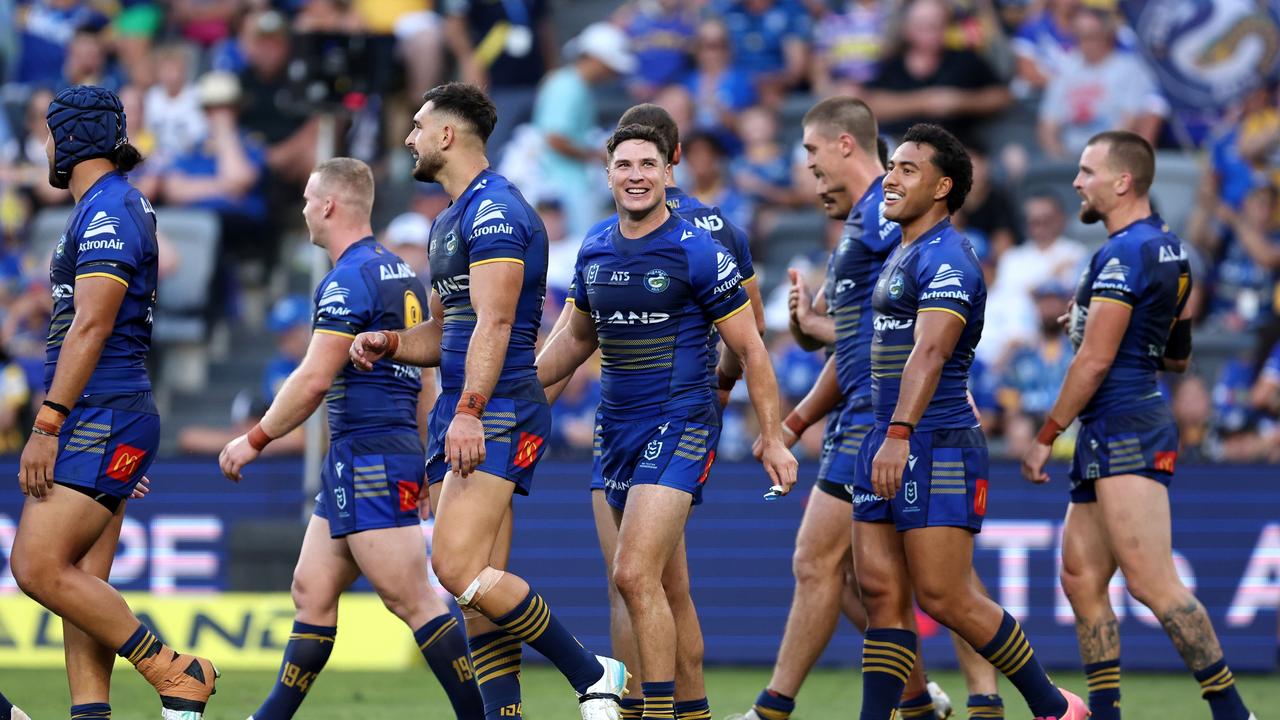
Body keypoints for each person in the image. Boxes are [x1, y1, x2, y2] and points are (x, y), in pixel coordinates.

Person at [348, 82, 627, 720]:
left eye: (418, 127)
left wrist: (469, 410)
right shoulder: (449, 218)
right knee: (478, 590)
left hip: (495, 408)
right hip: (463, 409)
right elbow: (448, 329)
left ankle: (594, 672)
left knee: (454, 566)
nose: (409, 137)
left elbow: (496, 325)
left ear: (448, 135)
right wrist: (390, 341)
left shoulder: (497, 211)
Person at [731, 99, 1002, 720]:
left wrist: (913, 408)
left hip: (882, 420)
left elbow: (909, 334)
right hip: (863, 413)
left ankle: (777, 707)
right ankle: (924, 697)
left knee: (876, 571)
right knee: (884, 578)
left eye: (811, 152)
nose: (808, 167)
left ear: (845, 145)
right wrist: (806, 340)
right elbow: (855, 334)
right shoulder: (863, 224)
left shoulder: (892, 223)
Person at [537, 121, 798, 720]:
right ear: (606, 175)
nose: (635, 176)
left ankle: (651, 715)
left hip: (679, 424)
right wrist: (516, 397)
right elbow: (575, 338)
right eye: (623, 165)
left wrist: (773, 436)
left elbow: (753, 346)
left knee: (633, 575)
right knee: (652, 589)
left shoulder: (697, 246)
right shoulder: (595, 245)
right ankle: (684, 711)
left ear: (667, 172)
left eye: (646, 165)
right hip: (615, 431)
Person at [217, 157, 483, 720]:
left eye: (310, 199)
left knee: (411, 599)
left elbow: (314, 378)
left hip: (371, 454)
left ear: (331, 205)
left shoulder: (347, 281)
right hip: (369, 453)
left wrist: (254, 439)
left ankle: (478, 716)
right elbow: (425, 383)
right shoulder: (400, 275)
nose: (306, 209)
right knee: (312, 590)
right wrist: (428, 460)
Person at [854, 123, 1085, 720]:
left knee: (945, 595)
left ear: (942, 187)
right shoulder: (901, 250)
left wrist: (899, 434)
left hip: (931, 441)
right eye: (892, 165)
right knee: (880, 593)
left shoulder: (951, 257)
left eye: (908, 168)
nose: (892, 176)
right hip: (885, 435)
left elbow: (931, 353)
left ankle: (1053, 707)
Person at [1022, 131, 1256, 720]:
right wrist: (1096, 320)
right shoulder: (1170, 249)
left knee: (1153, 584)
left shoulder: (1122, 254)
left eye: (1086, 171)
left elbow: (1095, 360)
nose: (1077, 181)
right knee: (1081, 577)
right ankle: (1105, 713)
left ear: (1122, 181)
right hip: (1120, 420)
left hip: (1124, 421)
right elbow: (1176, 355)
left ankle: (1233, 711)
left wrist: (1047, 435)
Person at [9, 85, 218, 720]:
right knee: (82, 586)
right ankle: (91, 714)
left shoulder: (108, 211)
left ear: (69, 140)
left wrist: (49, 423)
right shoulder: (107, 207)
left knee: (36, 566)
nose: (46, 146)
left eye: (50, 134)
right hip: (109, 416)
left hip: (97, 413)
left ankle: (174, 670)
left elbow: (92, 326)